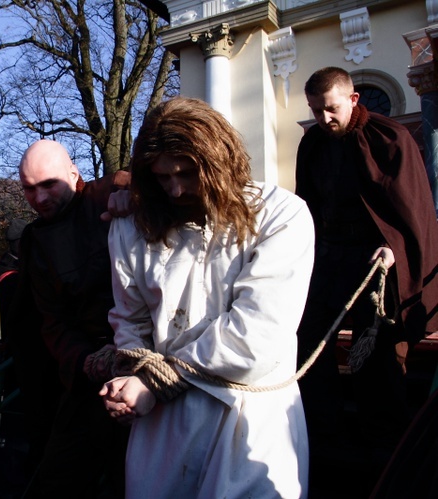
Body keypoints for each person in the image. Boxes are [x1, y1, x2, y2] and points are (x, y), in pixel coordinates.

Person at [99, 97, 314, 498]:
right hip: (162, 421)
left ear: (219, 162)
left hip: (249, 418)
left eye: (186, 173)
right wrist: (132, 372)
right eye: (162, 177)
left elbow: (257, 333)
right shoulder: (131, 227)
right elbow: (130, 318)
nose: (175, 189)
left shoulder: (280, 215)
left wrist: (157, 381)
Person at [295, 67, 438, 492]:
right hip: (329, 256)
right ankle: (325, 430)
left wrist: (393, 246)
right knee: (308, 339)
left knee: (374, 350)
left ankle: (385, 444)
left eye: (331, 109)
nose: (324, 119)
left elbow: (412, 208)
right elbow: (307, 204)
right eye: (316, 111)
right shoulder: (313, 145)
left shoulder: (390, 137)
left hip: (375, 259)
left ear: (353, 99)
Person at [9, 139, 130, 497]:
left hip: (144, 365)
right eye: (29, 189)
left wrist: (134, 190)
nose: (40, 198)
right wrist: (86, 362)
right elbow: (53, 320)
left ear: (73, 174)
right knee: (58, 479)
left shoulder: (104, 196)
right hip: (85, 377)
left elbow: (139, 176)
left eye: (49, 184)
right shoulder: (36, 241)